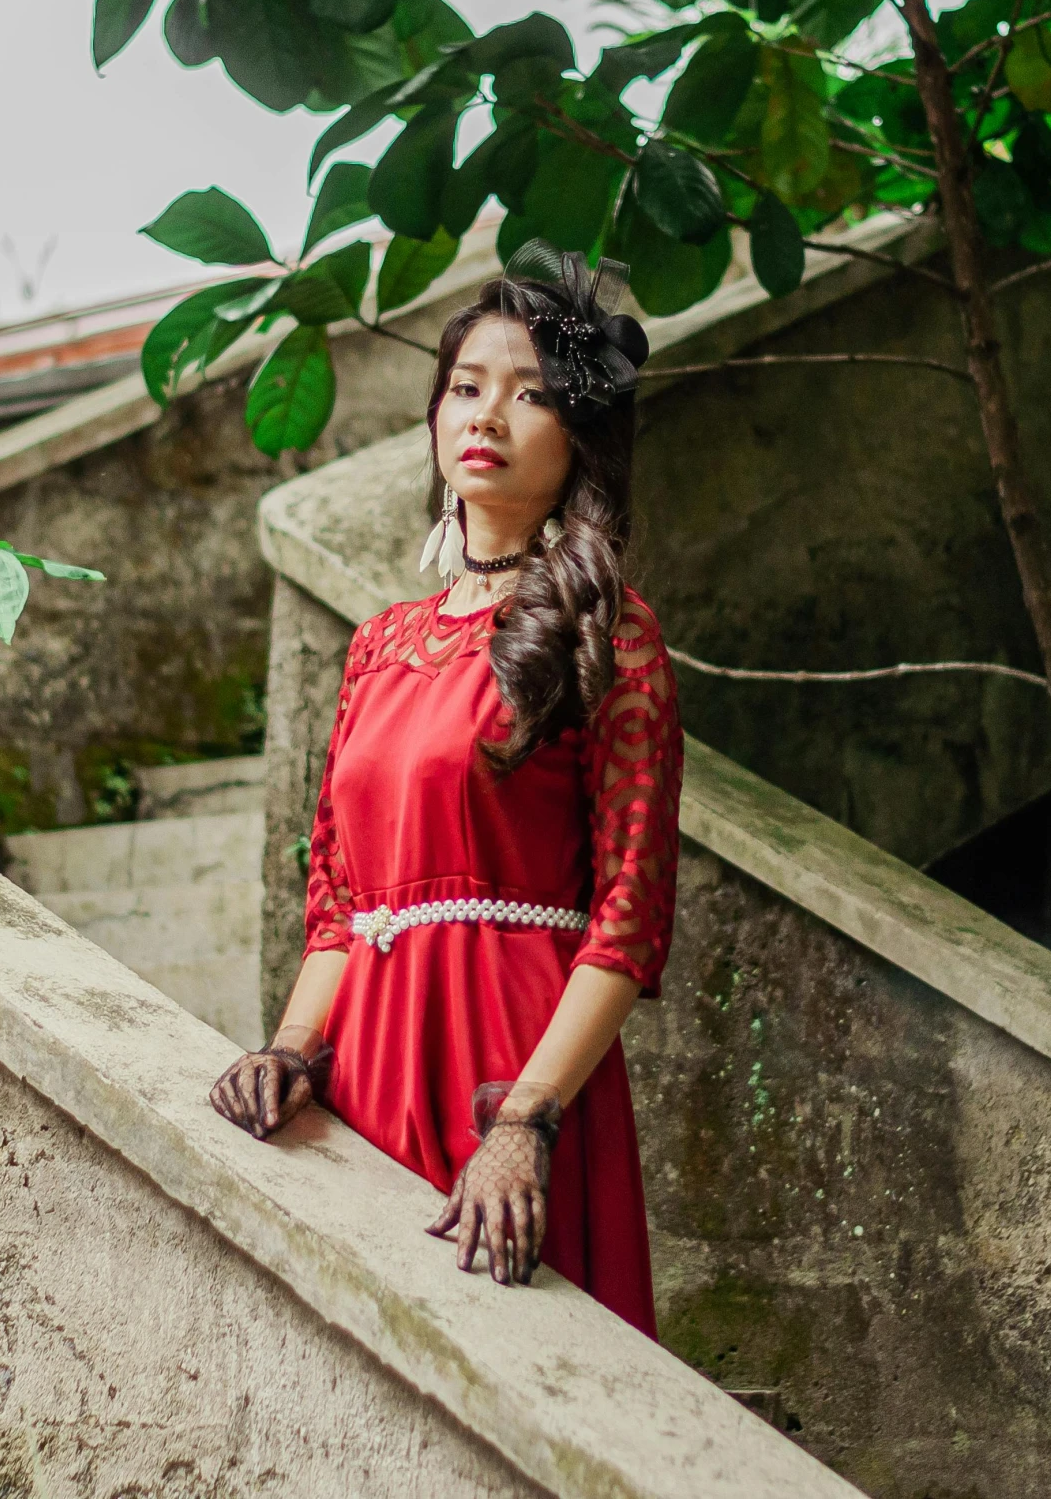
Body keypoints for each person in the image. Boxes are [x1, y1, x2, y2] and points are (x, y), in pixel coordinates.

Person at [208, 242, 682, 1336]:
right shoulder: (378, 646)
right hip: (369, 1055)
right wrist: (287, 1048)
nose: (488, 414)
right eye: (467, 386)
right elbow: (337, 897)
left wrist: (526, 1120)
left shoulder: (612, 634)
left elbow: (627, 920)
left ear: (577, 438)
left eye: (529, 394)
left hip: (512, 1066)